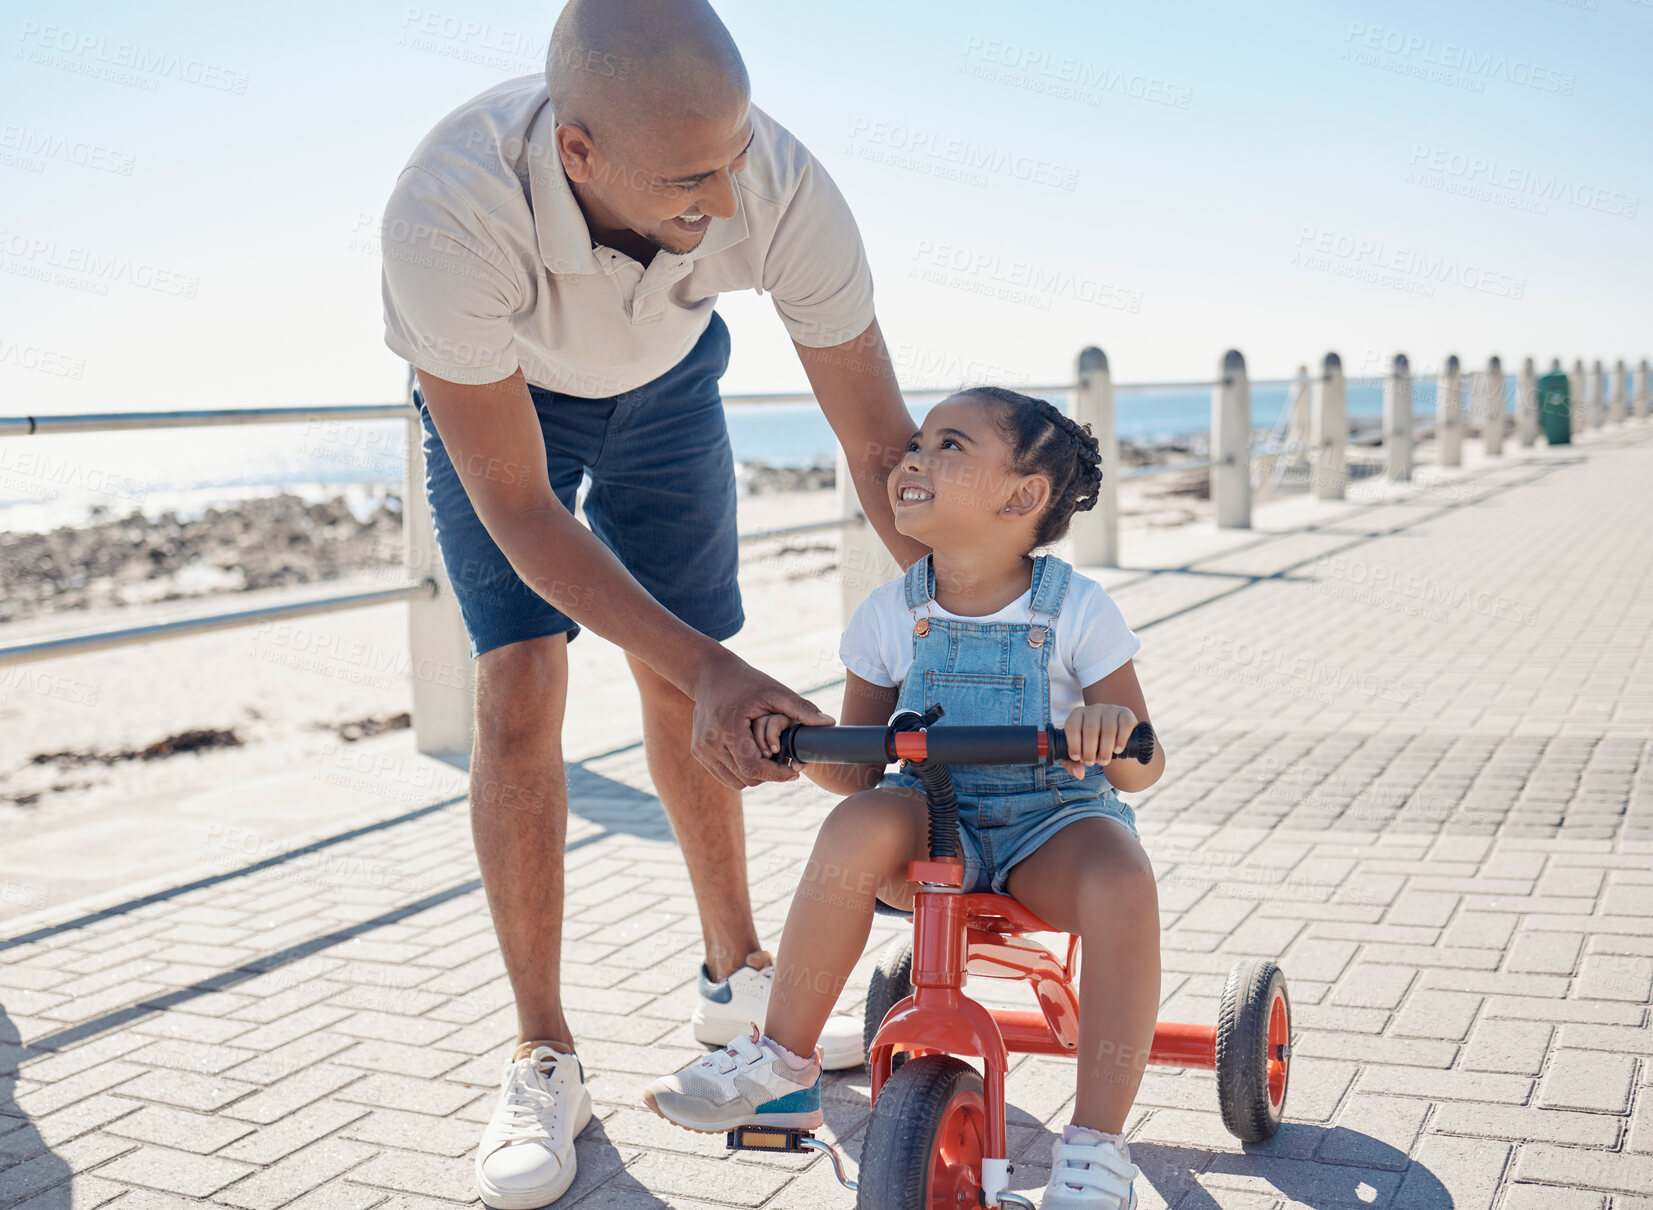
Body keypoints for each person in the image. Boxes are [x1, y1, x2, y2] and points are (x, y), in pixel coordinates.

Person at [378, 1, 927, 1204]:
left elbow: (882, 441)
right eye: (689, 179)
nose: (728, 203)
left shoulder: (772, 179)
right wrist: (717, 674)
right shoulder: (446, 213)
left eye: (733, 159)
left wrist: (968, 621)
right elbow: (523, 511)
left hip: (670, 387)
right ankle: (543, 1053)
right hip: (506, 404)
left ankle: (735, 977)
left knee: (686, 661)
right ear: (578, 152)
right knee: (522, 680)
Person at [643, 388, 1168, 1210]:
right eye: (916, 442)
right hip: (930, 827)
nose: (911, 459)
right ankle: (781, 1061)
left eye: (948, 445)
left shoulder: (1075, 610)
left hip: (1050, 826)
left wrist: (1109, 726)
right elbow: (859, 767)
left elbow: (1142, 765)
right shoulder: (892, 612)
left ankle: (1096, 1146)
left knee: (1122, 878)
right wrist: (800, 741)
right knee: (858, 817)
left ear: (1022, 495)